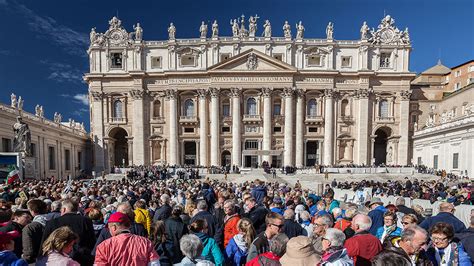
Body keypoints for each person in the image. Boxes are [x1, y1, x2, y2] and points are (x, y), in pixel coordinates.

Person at [41, 199, 96, 266]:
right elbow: (92, 242)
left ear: (64, 209)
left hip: (59, 259)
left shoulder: (52, 223)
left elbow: (45, 243)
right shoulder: (86, 221)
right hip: (81, 259)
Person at [94, 212, 160, 265]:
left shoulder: (103, 246)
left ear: (114, 227)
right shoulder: (145, 242)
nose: (109, 230)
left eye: (109, 227)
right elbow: (155, 264)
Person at [22, 199, 48, 263]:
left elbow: (29, 251)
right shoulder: (54, 221)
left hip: (37, 260)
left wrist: (25, 259)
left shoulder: (30, 227)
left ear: (32, 211)